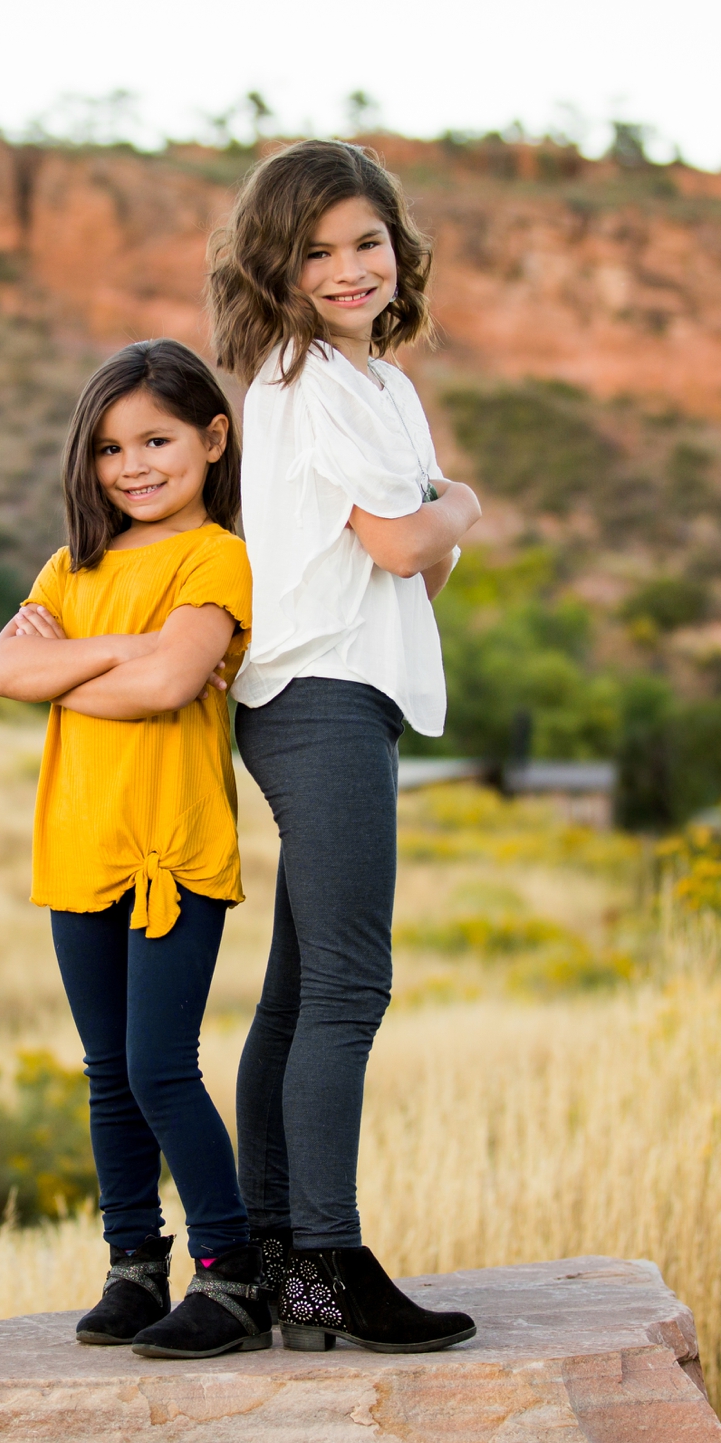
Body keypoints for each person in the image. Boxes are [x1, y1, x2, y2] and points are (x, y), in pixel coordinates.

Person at [205, 139, 482, 1352]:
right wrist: (458, 503)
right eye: (316, 250)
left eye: (365, 240)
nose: (348, 266)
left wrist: (434, 525)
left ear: (397, 246)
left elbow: (421, 557)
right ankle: (326, 1257)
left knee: (301, 990)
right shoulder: (312, 375)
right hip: (321, 694)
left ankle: (275, 1254)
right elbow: (411, 545)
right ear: (280, 264)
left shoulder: (376, 384)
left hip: (335, 691)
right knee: (350, 987)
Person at [0, 338, 274, 1360]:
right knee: (107, 1071)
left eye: (156, 439)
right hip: (78, 847)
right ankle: (133, 1266)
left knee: (161, 1066)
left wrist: (65, 666)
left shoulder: (217, 557)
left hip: (174, 852)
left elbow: (168, 686)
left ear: (212, 438)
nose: (134, 465)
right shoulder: (74, 565)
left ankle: (232, 1275)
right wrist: (122, 648)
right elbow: (5, 674)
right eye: (111, 448)